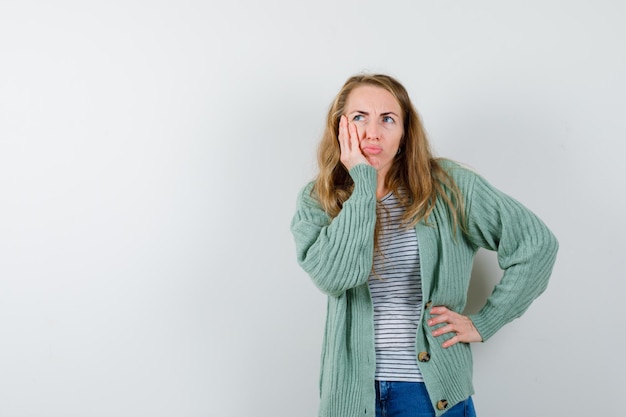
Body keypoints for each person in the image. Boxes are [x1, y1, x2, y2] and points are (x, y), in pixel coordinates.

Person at [289, 73, 559, 417]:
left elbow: (537, 245)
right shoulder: (318, 200)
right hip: (352, 397)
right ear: (340, 128)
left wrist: (484, 321)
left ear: (404, 134)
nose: (372, 132)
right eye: (359, 118)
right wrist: (363, 184)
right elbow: (335, 276)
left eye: (388, 119)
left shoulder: (449, 187)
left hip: (428, 395)